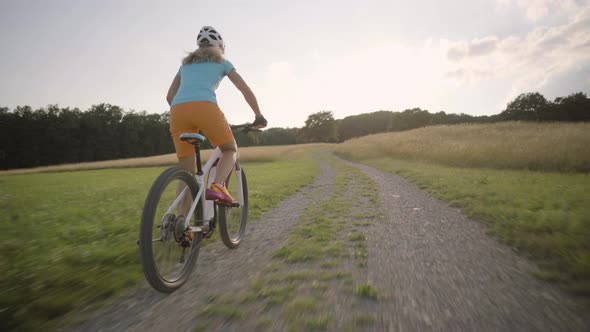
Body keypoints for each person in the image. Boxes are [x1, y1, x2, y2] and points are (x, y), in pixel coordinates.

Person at [166, 26, 266, 204]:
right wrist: (258, 115)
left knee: (187, 174)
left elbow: (169, 96)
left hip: (177, 111)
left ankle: (182, 226)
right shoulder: (223, 63)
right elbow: (244, 89)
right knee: (230, 149)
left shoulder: (186, 65)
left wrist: (185, 112)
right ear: (220, 47)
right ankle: (218, 185)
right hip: (206, 108)